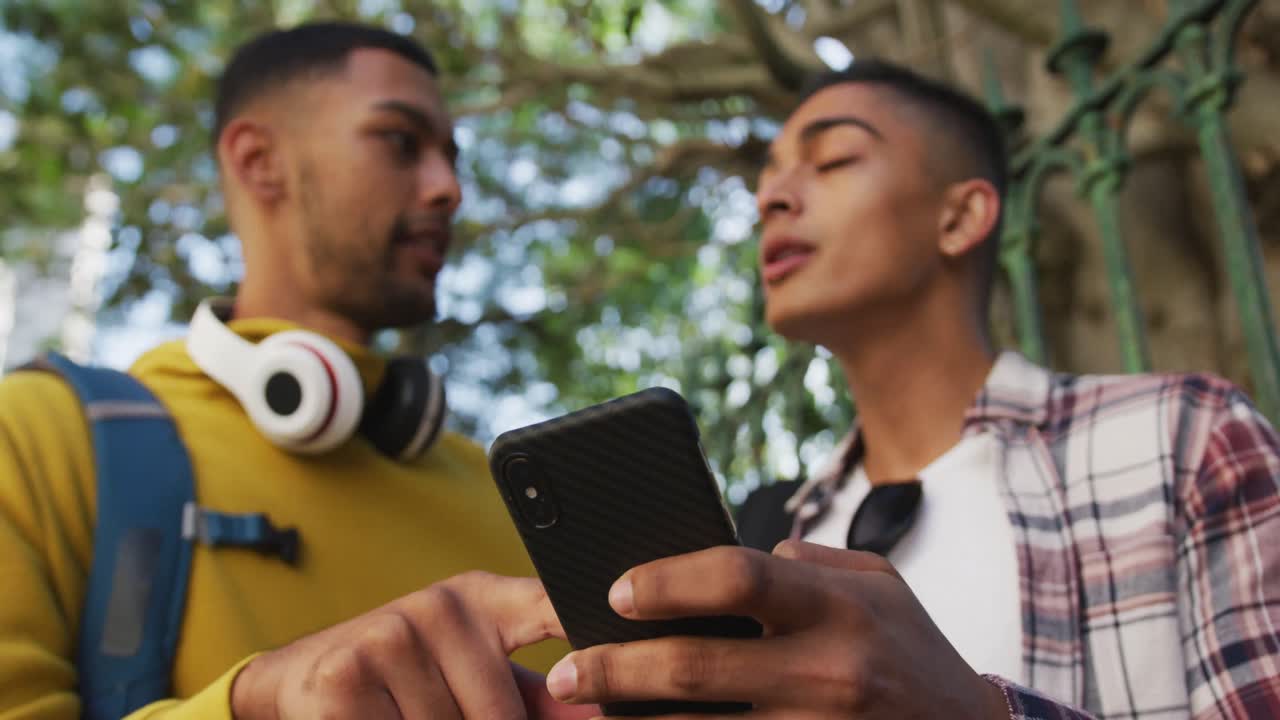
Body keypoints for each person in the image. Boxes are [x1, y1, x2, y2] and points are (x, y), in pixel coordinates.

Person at [535, 61, 1280, 718]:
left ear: (959, 216)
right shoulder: (765, 537)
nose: (772, 198)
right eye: (768, 177)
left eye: (830, 160)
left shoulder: (1182, 438)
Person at [0, 22, 595, 720]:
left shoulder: (517, 499)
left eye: (452, 158)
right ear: (258, 161)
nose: (449, 189)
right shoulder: (39, 437)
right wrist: (257, 706)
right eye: (401, 142)